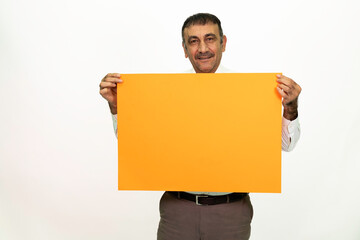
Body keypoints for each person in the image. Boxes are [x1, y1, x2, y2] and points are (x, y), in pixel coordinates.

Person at [100, 13, 301, 240]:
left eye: (210, 39)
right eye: (193, 41)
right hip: (177, 210)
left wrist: (290, 107)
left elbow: (286, 145)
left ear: (223, 43)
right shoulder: (165, 93)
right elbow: (136, 145)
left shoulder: (251, 92)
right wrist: (117, 107)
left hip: (231, 212)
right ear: (185, 49)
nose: (203, 48)